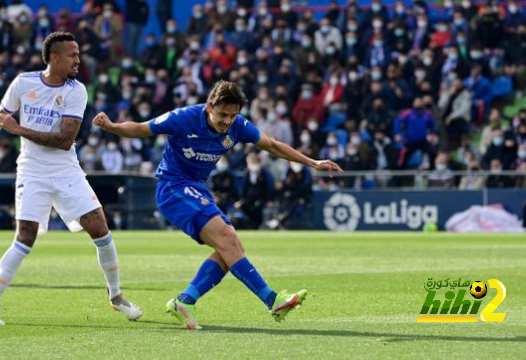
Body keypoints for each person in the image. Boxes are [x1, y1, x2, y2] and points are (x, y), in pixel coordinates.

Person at [93, 80, 343, 330]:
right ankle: (272, 300)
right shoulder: (184, 117)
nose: (227, 121)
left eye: (233, 115)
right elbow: (140, 128)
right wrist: (112, 126)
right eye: (223, 114)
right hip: (173, 187)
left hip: (197, 189)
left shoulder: (239, 126)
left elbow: (272, 146)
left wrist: (313, 163)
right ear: (209, 106)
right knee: (228, 238)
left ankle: (185, 300)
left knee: (232, 247)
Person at [0, 32, 141, 326]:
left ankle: (116, 295)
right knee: (25, 236)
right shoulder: (23, 83)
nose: (78, 60)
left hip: (66, 169)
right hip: (32, 171)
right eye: (72, 55)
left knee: (99, 225)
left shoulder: (76, 90)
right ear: (54, 57)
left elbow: (64, 140)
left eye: (78, 54)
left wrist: (18, 130)